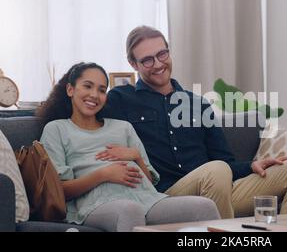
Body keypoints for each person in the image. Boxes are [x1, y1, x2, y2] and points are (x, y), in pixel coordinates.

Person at [104, 26, 287, 219]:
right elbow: (83, 120)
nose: (158, 64)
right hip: (166, 196)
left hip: (218, 189)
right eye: (148, 60)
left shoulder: (198, 103)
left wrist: (252, 165)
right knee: (215, 170)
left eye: (162, 54)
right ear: (133, 64)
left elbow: (225, 160)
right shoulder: (121, 99)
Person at [36, 62, 220, 232]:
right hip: (95, 204)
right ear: (70, 89)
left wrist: (136, 156)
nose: (94, 95)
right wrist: (104, 174)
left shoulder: (123, 127)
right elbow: (59, 189)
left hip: (147, 199)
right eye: (87, 86)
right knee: (130, 211)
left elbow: (149, 182)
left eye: (101, 90)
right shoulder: (56, 129)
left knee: (204, 207)